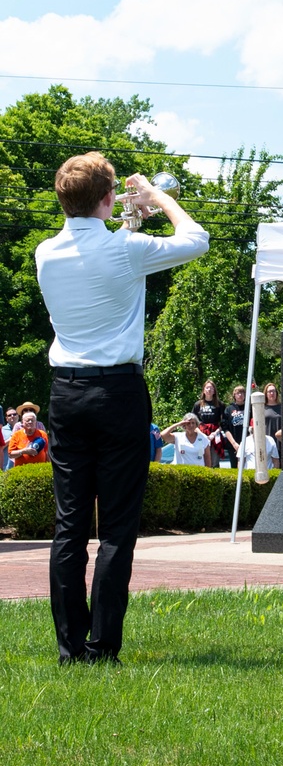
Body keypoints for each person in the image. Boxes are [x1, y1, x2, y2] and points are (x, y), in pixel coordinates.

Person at [36, 153, 208, 665]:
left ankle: (70, 649)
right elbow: (196, 240)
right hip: (118, 394)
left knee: (69, 526)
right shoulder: (126, 249)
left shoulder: (46, 252)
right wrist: (157, 197)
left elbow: (103, 255)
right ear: (108, 197)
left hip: (66, 394)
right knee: (116, 528)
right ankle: (103, 646)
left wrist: (124, 218)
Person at [192, 379, 224, 466]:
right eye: (207, 388)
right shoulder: (198, 404)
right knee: (201, 459)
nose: (209, 390)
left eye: (211, 388)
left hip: (215, 435)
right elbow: (193, 422)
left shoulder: (220, 404)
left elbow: (223, 423)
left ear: (214, 391)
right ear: (204, 390)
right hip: (200, 435)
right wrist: (202, 434)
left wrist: (214, 434)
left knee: (214, 461)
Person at [221, 385, 248, 467]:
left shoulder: (249, 407)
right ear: (234, 395)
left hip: (248, 444)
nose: (240, 395)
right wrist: (234, 443)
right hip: (233, 444)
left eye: (242, 393)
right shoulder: (228, 409)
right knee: (235, 467)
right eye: (238, 393)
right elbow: (225, 428)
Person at [262, 383, 281, 458]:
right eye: (269, 391)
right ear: (266, 394)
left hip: (281, 442)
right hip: (268, 442)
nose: (272, 393)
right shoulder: (262, 408)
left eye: (273, 391)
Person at [2, 406, 16, 470]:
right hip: (6, 467)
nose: (12, 416)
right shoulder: (2, 430)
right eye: (9, 415)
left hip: (21, 465)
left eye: (14, 414)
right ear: (6, 418)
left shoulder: (24, 429)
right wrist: (12, 439)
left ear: (18, 416)